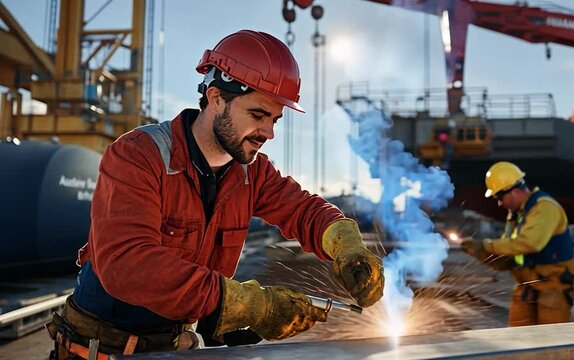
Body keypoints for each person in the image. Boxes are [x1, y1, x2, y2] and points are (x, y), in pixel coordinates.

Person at [46, 30, 384, 359]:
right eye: (258, 115)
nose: (268, 132)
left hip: (174, 346)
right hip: (99, 350)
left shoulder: (252, 172)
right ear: (217, 98)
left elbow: (304, 210)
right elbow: (127, 263)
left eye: (275, 120)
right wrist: (250, 306)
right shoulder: (139, 156)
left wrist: (346, 245)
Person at [460, 161, 574, 327]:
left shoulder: (545, 208)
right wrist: (481, 253)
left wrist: (487, 246)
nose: (499, 203)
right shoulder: (516, 214)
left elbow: (530, 243)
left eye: (499, 197)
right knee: (518, 340)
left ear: (514, 190)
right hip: (527, 286)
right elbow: (511, 251)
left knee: (551, 342)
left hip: (553, 288)